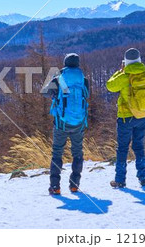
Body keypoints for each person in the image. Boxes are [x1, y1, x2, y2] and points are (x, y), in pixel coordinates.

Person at [107, 48, 145, 188]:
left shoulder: (124, 76)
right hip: (143, 115)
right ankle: (143, 178)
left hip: (126, 118)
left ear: (126, 61)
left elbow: (109, 85)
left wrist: (120, 71)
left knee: (122, 148)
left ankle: (120, 180)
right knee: (139, 146)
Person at [43, 53, 89, 195]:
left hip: (61, 123)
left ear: (65, 63)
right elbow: (86, 96)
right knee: (77, 153)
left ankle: (55, 186)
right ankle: (74, 185)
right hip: (79, 123)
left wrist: (55, 95)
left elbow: (44, 92)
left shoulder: (59, 78)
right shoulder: (84, 80)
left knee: (57, 152)